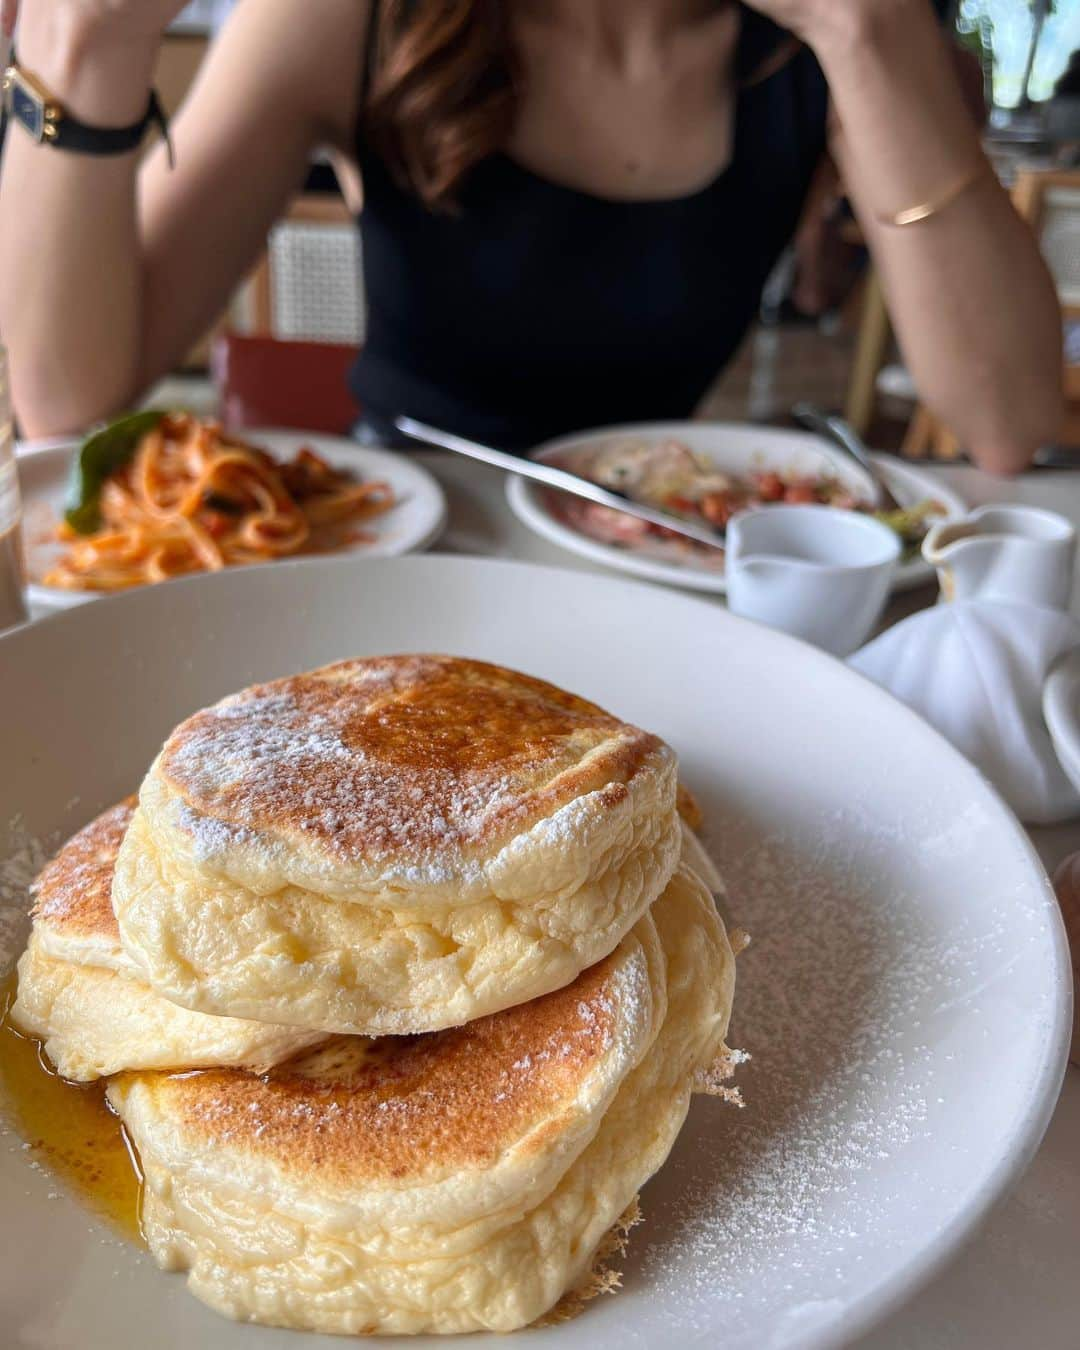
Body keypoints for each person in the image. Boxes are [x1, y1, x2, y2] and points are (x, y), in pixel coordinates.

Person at [0, 0, 1064, 471]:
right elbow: (66, 399)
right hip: (398, 553)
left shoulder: (832, 42)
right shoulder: (354, 13)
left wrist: (866, 27)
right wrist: (82, 38)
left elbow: (1008, 422)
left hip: (663, 561)